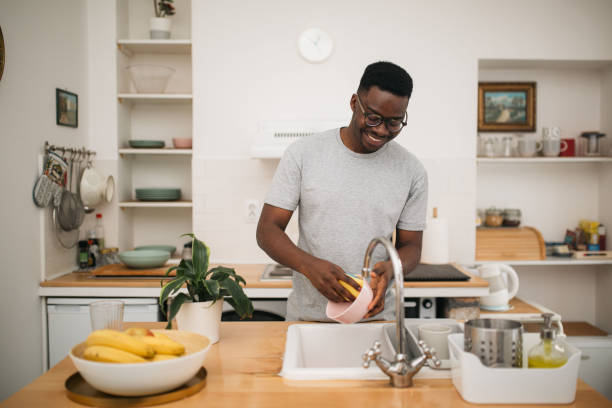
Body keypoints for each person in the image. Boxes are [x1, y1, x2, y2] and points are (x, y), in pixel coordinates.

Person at [256, 61, 428, 321]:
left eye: (394, 123)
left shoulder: (412, 171)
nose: (381, 130)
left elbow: (411, 247)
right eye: (373, 117)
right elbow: (267, 230)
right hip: (309, 320)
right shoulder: (304, 154)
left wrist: (393, 268)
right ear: (353, 103)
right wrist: (308, 265)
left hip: (378, 319)